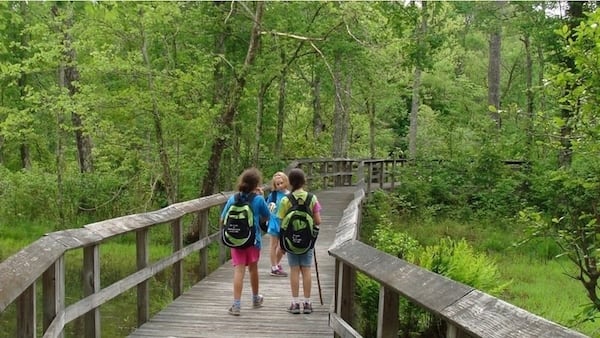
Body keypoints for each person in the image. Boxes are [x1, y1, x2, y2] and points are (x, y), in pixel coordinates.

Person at [220, 167, 271, 316]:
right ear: (256, 184)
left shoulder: (233, 198)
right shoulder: (259, 199)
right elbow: (267, 216)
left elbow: (223, 218)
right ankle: (255, 298)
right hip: (253, 240)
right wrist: (261, 197)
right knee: (253, 269)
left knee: (239, 270)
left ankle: (236, 305)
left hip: (236, 240)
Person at [277, 168, 322, 314]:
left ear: (289, 183)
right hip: (307, 241)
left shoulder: (285, 200)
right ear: (304, 181)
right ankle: (307, 303)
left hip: (290, 241)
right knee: (306, 270)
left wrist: (281, 244)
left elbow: (281, 223)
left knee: (294, 270)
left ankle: (295, 303)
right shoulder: (312, 198)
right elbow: (318, 221)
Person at [266, 171, 290, 277]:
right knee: (274, 245)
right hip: (274, 221)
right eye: (277, 184)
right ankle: (274, 267)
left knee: (283, 246)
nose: (280, 186)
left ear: (285, 182)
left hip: (285, 223)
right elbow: (267, 206)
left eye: (281, 183)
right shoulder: (273, 195)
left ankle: (276, 263)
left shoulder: (290, 195)